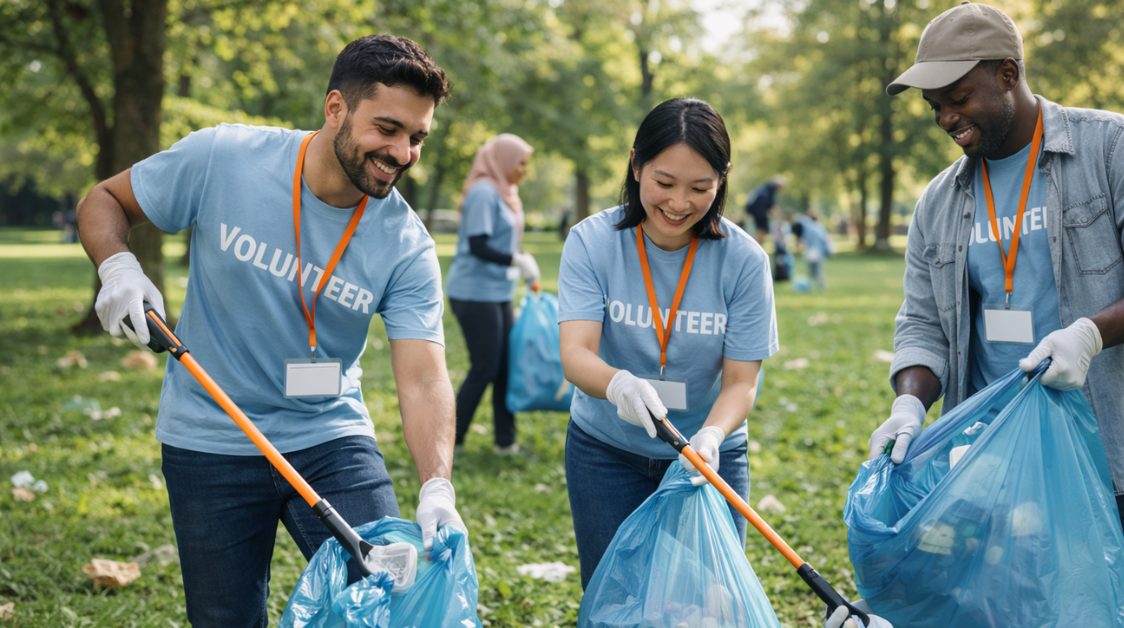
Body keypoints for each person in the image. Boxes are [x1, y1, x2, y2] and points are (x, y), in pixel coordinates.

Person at [76, 35, 468, 627]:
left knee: (389, 605)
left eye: (416, 137)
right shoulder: (224, 156)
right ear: (336, 107)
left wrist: (437, 486)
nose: (403, 152)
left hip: (330, 437)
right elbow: (104, 199)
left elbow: (423, 376)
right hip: (209, 436)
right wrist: (116, 267)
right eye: (387, 129)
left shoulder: (407, 243)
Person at [829, 3, 1124, 627]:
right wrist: (909, 404)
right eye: (935, 107)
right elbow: (921, 321)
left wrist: (1090, 334)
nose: (946, 118)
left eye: (958, 98)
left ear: (1007, 73)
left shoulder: (1112, 146)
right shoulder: (939, 201)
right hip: (1001, 462)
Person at [558, 98, 778, 589]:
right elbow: (576, 354)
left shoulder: (744, 261)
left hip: (707, 459)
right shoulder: (591, 242)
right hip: (605, 451)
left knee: (707, 603)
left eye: (700, 188)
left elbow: (742, 382)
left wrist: (712, 437)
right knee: (615, 599)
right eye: (664, 183)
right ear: (636, 165)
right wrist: (618, 384)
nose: (679, 204)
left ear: (722, 180)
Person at [444, 133, 538, 455]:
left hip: (498, 290)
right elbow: (478, 244)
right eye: (521, 163)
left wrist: (521, 257)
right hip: (473, 292)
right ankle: (447, 440)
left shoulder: (506, 192)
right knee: (484, 366)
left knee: (504, 366)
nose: (525, 170)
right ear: (505, 160)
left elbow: (503, 240)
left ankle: (505, 442)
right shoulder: (484, 192)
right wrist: (516, 259)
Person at [793, 210, 833, 291]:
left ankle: (815, 287)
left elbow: (803, 238)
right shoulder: (820, 227)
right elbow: (826, 239)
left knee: (812, 271)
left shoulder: (807, 227)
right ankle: (818, 287)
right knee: (817, 270)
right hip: (818, 251)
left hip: (812, 251)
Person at [744, 174, 785, 244]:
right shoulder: (771, 189)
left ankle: (756, 245)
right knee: (762, 229)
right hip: (758, 210)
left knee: (761, 229)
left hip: (756, 210)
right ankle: (756, 246)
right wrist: (779, 217)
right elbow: (772, 206)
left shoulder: (766, 187)